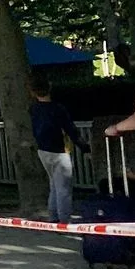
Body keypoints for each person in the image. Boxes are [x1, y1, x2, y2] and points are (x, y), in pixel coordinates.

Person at [30, 77, 90, 223]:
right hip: (60, 150)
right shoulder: (58, 109)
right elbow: (71, 130)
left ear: (33, 92)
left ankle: (53, 217)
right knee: (63, 188)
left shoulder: (33, 109)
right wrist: (85, 148)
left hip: (43, 150)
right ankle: (64, 219)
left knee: (54, 185)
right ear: (49, 88)